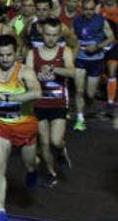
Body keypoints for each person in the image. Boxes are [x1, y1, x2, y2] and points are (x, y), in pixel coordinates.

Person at [0, 35, 42, 221]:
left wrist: (10, 98)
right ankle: (0, 211)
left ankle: (33, 170)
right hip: (1, 124)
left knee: (29, 164)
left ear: (16, 54)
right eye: (0, 55)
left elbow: (37, 92)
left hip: (25, 125)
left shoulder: (25, 72)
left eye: (9, 55)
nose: (5, 59)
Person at [25, 18, 75, 186]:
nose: (51, 38)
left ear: (59, 34)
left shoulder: (65, 51)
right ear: (42, 33)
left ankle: (61, 151)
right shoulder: (33, 53)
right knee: (44, 142)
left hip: (59, 103)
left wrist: (54, 70)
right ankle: (51, 173)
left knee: (55, 141)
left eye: (54, 35)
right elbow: (27, 77)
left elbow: (72, 72)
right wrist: (36, 78)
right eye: (48, 34)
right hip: (39, 104)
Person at [71, 0, 114, 130]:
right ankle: (80, 119)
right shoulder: (77, 20)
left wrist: (98, 46)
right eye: (86, 9)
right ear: (81, 8)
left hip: (96, 60)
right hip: (80, 58)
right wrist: (74, 49)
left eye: (91, 9)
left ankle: (89, 102)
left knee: (89, 94)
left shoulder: (101, 20)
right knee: (78, 90)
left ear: (95, 8)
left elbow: (112, 37)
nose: (88, 12)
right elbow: (72, 37)